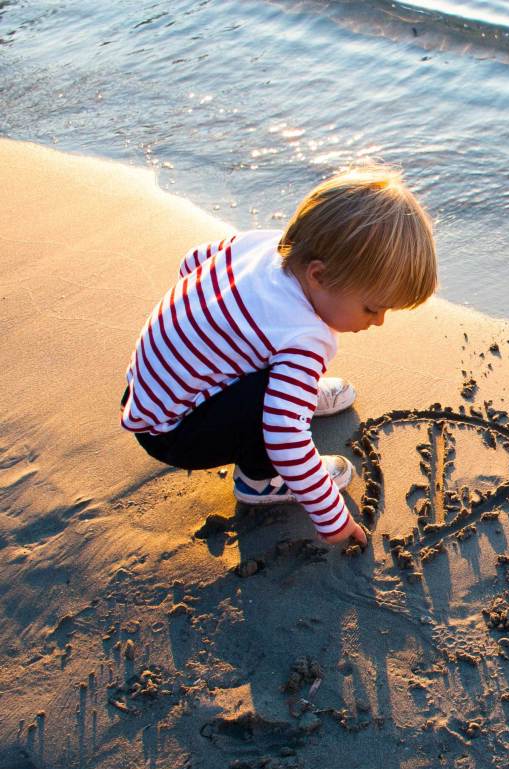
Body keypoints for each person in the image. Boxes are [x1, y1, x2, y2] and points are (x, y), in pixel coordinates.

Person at [119, 166, 437, 546]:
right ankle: (259, 479)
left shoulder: (263, 246)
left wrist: (205, 339)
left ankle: (290, 392)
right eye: (371, 308)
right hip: (176, 433)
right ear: (318, 276)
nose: (380, 321)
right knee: (281, 414)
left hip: (148, 389)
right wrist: (333, 519)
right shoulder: (304, 337)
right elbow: (285, 435)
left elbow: (193, 262)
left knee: (264, 360)